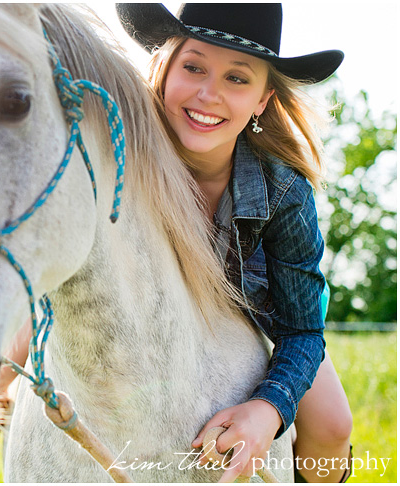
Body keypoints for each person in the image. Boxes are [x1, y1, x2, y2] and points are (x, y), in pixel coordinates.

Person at [115, 3, 353, 482]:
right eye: (194, 66)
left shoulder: (283, 189)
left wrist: (268, 410)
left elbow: (302, 330)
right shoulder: (120, 148)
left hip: (254, 314)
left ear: (263, 99)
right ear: (163, 69)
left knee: (332, 425)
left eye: (237, 79)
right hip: (139, 309)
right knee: (16, 344)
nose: (209, 94)